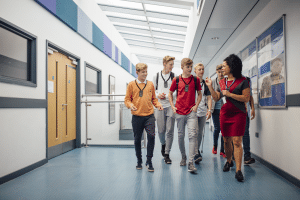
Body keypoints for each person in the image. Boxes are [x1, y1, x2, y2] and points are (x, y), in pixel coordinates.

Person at [206, 54, 250, 182]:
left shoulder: (243, 80)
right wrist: (210, 86)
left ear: (232, 66)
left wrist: (230, 94)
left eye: (225, 66)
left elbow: (246, 98)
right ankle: (229, 161)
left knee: (237, 141)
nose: (222, 68)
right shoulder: (222, 81)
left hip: (239, 113)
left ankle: (238, 170)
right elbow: (216, 97)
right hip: (225, 113)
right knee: (226, 140)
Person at [124, 63, 163, 172]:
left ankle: (149, 161)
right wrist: (130, 105)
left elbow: (154, 99)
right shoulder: (131, 85)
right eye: (143, 72)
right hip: (136, 117)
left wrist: (158, 105)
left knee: (151, 136)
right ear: (137, 72)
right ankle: (139, 160)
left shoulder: (150, 84)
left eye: (146, 72)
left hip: (149, 116)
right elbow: (127, 99)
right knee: (137, 139)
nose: (145, 74)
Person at [168, 58, 202, 173]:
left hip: (191, 112)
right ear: (182, 67)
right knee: (180, 136)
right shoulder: (176, 80)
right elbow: (170, 93)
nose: (190, 69)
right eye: (188, 67)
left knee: (192, 135)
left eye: (191, 67)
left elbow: (200, 94)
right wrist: (172, 106)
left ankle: (191, 162)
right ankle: (183, 156)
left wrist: (196, 105)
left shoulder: (196, 79)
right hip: (179, 112)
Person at [153, 56, 176, 164]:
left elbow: (176, 91)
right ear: (164, 64)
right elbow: (154, 91)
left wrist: (167, 96)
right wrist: (158, 95)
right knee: (161, 130)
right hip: (160, 106)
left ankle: (167, 154)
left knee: (170, 130)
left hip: (171, 106)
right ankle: (163, 144)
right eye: (170, 64)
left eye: (172, 64)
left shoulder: (174, 76)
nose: (172, 66)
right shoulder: (156, 76)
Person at [193, 63, 212, 164]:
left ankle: (196, 151)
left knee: (200, 133)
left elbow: (209, 98)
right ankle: (196, 153)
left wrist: (209, 110)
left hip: (203, 111)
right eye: (199, 69)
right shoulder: (191, 82)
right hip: (193, 111)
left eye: (202, 69)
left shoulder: (205, 84)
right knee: (195, 132)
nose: (201, 71)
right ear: (195, 71)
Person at [211, 64, 226, 158]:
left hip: (224, 108)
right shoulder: (213, 81)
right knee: (217, 128)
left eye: (222, 72)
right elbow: (210, 94)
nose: (221, 74)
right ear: (216, 72)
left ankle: (222, 150)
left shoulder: (226, 81)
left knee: (223, 129)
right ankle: (215, 146)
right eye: (219, 72)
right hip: (215, 108)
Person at [243, 76, 256, 164]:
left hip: (245, 111)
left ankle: (247, 156)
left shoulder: (247, 80)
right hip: (234, 112)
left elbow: (250, 96)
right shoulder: (231, 79)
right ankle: (232, 155)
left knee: (246, 133)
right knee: (234, 135)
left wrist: (252, 108)